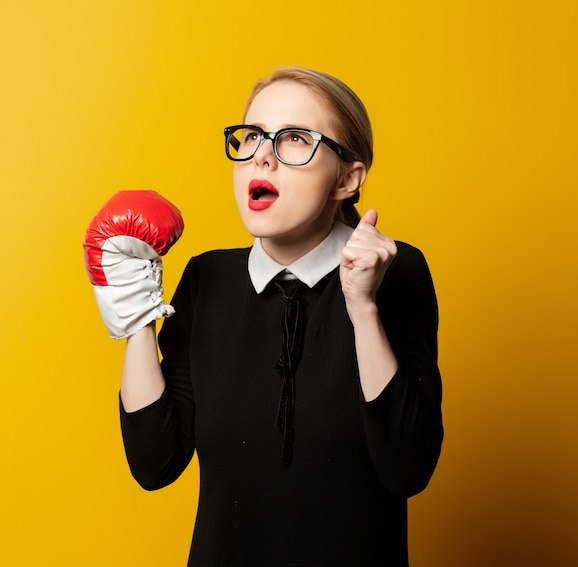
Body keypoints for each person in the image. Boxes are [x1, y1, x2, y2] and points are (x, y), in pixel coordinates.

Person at [116, 67, 443, 566]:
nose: (261, 155)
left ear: (347, 180)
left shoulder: (396, 272)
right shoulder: (207, 279)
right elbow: (153, 464)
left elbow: (407, 469)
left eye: (294, 139)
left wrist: (363, 305)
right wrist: (137, 315)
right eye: (251, 137)